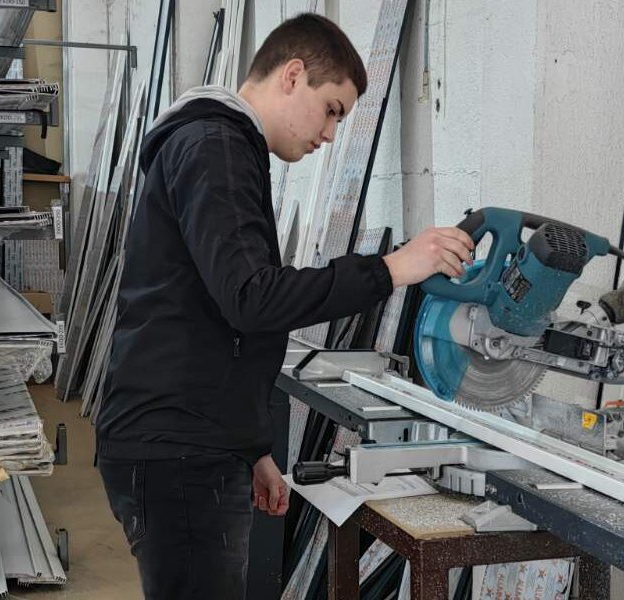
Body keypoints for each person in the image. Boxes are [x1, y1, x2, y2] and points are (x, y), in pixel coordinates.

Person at [96, 13, 474, 600]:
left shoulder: (219, 147)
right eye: (331, 110)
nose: (330, 134)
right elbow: (254, 299)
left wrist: (250, 450)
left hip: (190, 440)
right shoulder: (215, 147)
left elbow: (214, 316)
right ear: (293, 75)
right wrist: (391, 269)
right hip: (179, 451)